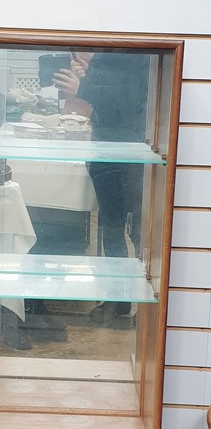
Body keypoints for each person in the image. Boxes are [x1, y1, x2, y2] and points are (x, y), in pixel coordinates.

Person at [53, 51, 150, 322]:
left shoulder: (137, 51)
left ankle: (142, 306)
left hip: (131, 154)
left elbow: (130, 97)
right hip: (108, 148)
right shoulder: (115, 47)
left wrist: (83, 87)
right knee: (112, 228)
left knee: (137, 230)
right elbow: (116, 91)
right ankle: (117, 300)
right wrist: (89, 73)